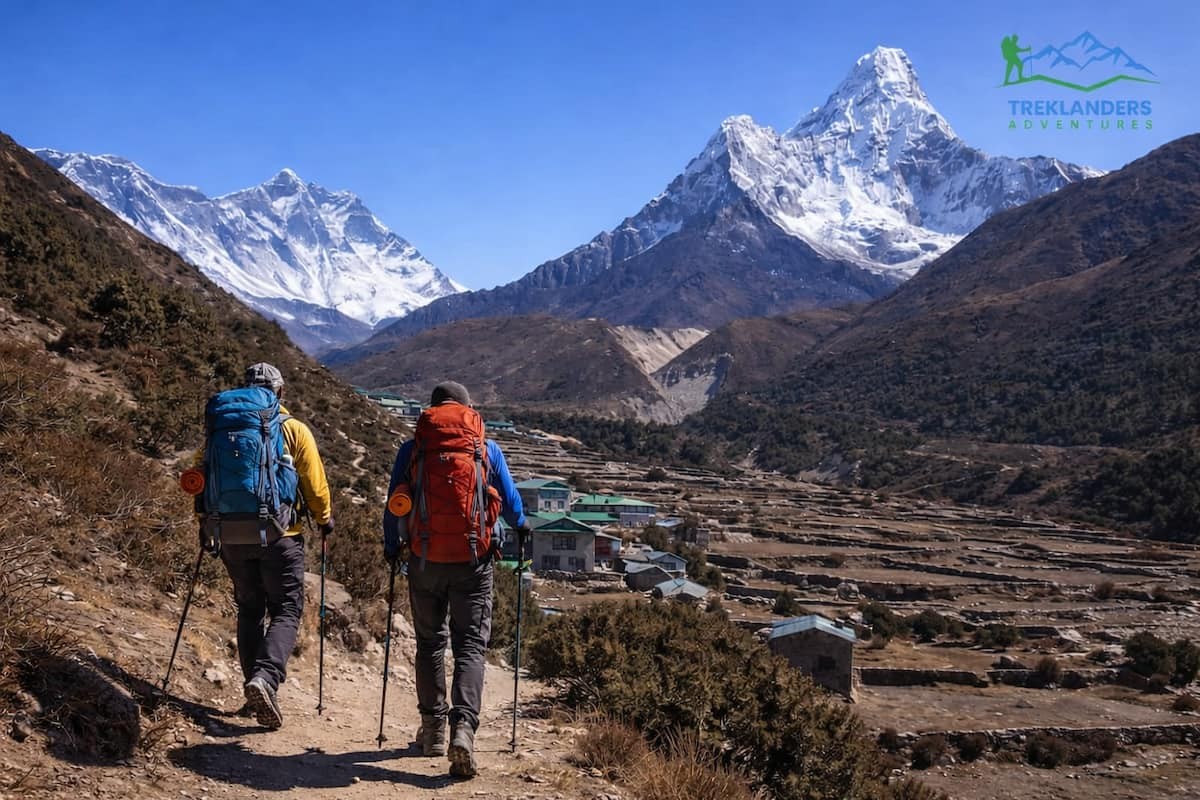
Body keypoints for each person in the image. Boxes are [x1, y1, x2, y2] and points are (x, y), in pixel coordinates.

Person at [382, 381, 529, 778]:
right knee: (470, 648)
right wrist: (522, 526)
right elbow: (513, 504)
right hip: (473, 560)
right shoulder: (485, 448)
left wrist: (393, 546)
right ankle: (463, 730)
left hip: (424, 559)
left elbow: (395, 501)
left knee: (430, 642)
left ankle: (431, 731)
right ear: (467, 410)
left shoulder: (413, 450)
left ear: (431, 412)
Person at [201, 362, 333, 730]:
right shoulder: (292, 428)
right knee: (287, 609)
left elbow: (202, 472)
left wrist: (206, 522)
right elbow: (314, 483)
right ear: (280, 392)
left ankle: (252, 690)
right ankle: (265, 678)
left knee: (249, 609)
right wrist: (324, 520)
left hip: (229, 533)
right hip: (280, 535)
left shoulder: (222, 426)